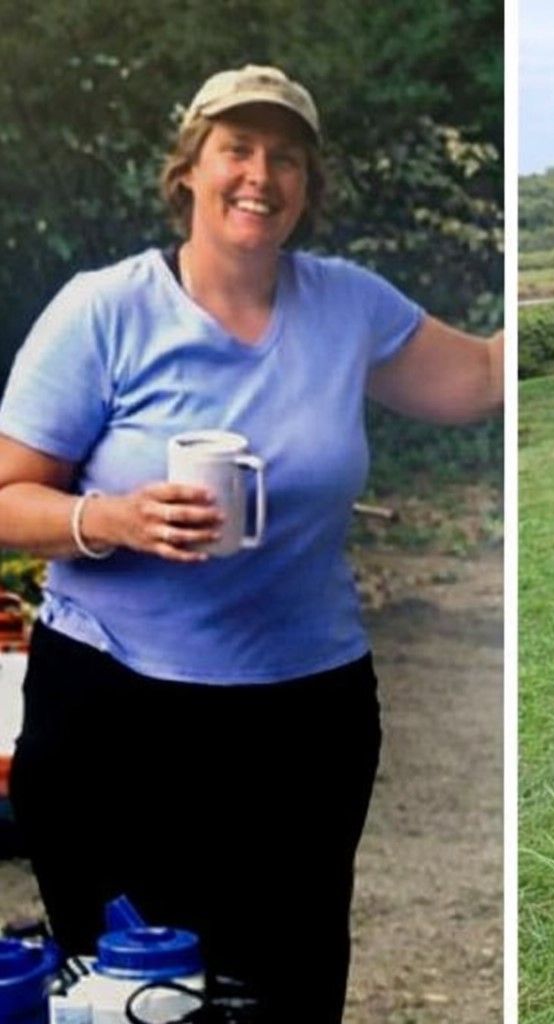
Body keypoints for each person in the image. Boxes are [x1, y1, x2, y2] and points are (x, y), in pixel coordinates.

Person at [0, 65, 502, 1022]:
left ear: (308, 184)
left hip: (304, 721)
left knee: (288, 990)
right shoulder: (104, 310)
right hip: (113, 714)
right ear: (189, 168)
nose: (260, 176)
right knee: (133, 999)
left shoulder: (347, 304)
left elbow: (477, 379)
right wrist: (109, 519)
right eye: (237, 149)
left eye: (286, 157)